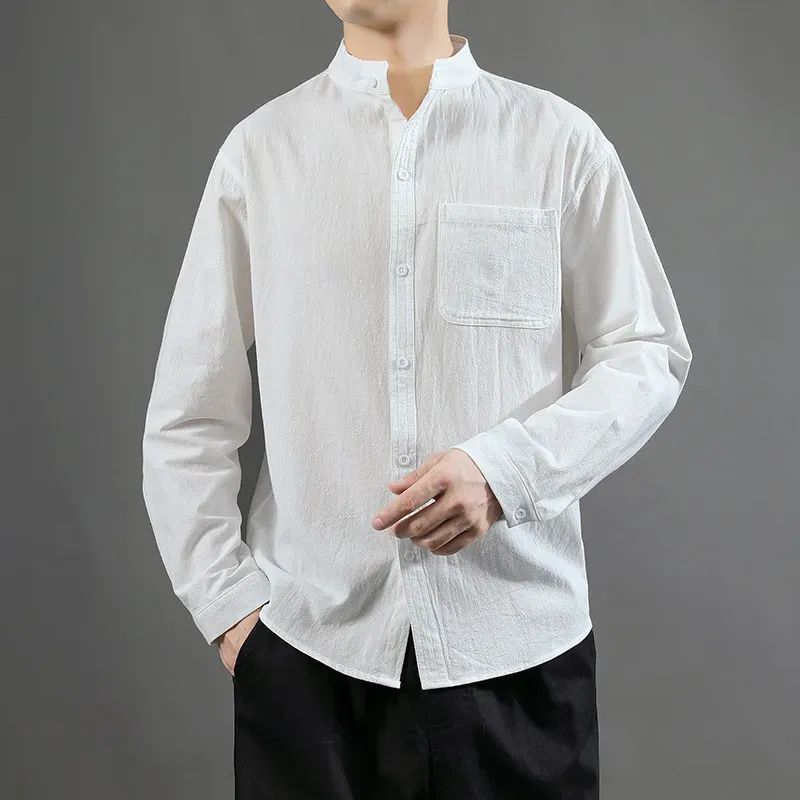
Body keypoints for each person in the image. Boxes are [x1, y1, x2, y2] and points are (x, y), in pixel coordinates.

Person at [141, 1, 693, 797]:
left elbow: (645, 351)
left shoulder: (557, 142)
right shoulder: (261, 153)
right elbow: (187, 413)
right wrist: (228, 609)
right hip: (307, 659)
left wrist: (506, 473)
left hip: (519, 654)